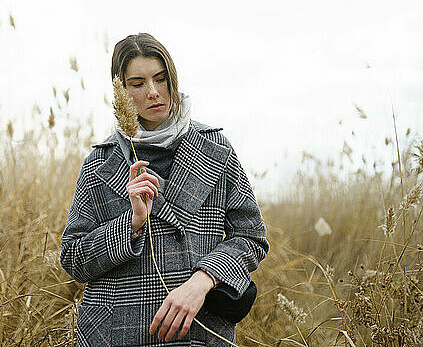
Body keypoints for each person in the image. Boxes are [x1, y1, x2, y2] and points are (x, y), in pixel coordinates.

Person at [60, 33, 269, 346]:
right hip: (120, 332)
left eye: (160, 79)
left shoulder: (215, 148)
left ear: (173, 78)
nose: (153, 92)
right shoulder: (99, 163)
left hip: (197, 327)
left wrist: (203, 280)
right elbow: (73, 257)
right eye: (137, 83)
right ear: (120, 91)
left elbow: (251, 238)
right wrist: (130, 224)